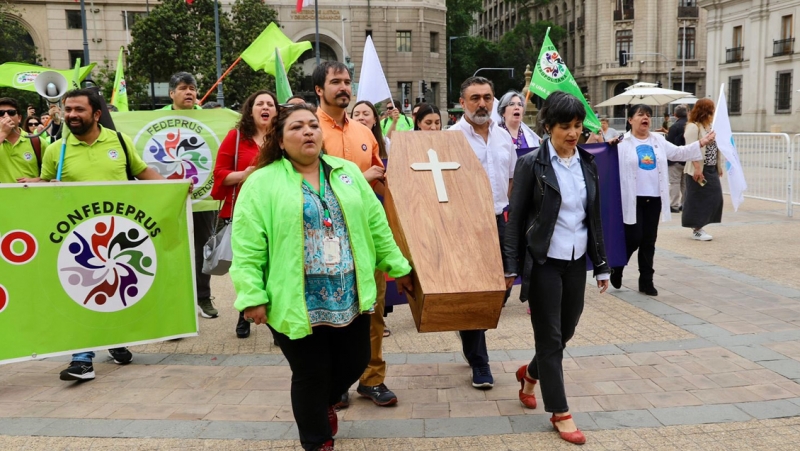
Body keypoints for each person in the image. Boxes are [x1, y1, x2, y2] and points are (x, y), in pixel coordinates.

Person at [230, 104, 413, 451]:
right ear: (281, 141)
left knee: (356, 361)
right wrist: (251, 294)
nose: (308, 131)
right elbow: (247, 244)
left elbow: (376, 226)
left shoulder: (346, 172)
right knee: (310, 373)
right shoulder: (262, 182)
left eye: (313, 125)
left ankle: (322, 403)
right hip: (294, 298)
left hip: (350, 293)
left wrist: (398, 268)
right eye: (297, 127)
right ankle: (317, 441)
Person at [503, 91, 610, 446]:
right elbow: (516, 219)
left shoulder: (587, 163)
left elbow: (593, 217)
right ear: (548, 127)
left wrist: (603, 265)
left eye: (578, 125)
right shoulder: (531, 164)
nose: (573, 133)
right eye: (565, 126)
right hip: (544, 260)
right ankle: (561, 412)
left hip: (577, 260)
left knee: (566, 331)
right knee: (549, 338)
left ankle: (530, 373)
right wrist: (510, 267)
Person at [39, 88, 165, 381]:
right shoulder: (55, 150)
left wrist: (176, 188)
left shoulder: (120, 142)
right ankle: (82, 359)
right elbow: (44, 192)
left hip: (116, 238)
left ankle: (115, 340)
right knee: (80, 293)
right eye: (68, 109)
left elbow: (143, 172)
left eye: (78, 110)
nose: (71, 115)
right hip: (76, 242)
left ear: (96, 114)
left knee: (111, 292)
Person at [312, 61, 396, 408]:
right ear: (319, 89)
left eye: (347, 81)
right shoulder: (307, 128)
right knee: (329, 311)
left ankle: (372, 378)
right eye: (335, 82)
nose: (344, 87)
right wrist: (361, 179)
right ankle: (336, 382)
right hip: (323, 238)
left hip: (364, 238)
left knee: (372, 309)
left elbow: (381, 179)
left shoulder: (364, 133)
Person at [448, 76, 517, 389]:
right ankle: (480, 362)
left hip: (501, 221)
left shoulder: (504, 137)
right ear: (462, 103)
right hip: (467, 225)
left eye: (487, 97)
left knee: (503, 289)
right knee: (477, 294)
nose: (482, 104)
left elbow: (512, 178)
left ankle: (468, 330)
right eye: (474, 98)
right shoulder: (450, 138)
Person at [610, 104, 715, 296]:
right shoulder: (622, 142)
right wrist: (605, 144)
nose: (646, 118)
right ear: (630, 120)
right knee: (633, 238)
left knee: (649, 241)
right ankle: (617, 266)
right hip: (632, 199)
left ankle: (646, 281)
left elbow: (679, 152)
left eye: (648, 115)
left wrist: (702, 142)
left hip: (654, 198)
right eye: (641, 115)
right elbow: (605, 160)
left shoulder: (658, 140)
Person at [211, 90, 278, 339]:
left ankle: (273, 319)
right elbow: (219, 174)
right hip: (243, 213)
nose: (265, 107)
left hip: (275, 211)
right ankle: (245, 313)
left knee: (272, 265)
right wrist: (244, 175)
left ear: (276, 111)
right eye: (259, 103)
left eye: (270, 104)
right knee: (248, 264)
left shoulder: (281, 138)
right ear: (250, 110)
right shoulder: (237, 138)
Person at [161, 72, 217, 320]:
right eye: (183, 88)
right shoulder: (155, 119)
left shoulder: (210, 119)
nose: (190, 93)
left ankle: (203, 297)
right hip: (168, 199)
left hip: (203, 198)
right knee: (170, 247)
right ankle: (174, 300)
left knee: (204, 247)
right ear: (171, 93)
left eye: (193, 88)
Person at [682, 98, 724, 241]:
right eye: (711, 108)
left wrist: (719, 166)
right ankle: (697, 228)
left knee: (716, 196)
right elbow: (691, 149)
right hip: (698, 168)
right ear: (705, 110)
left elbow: (715, 148)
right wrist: (697, 168)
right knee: (697, 198)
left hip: (710, 167)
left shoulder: (710, 127)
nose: (713, 111)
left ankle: (701, 224)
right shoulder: (693, 127)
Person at [0, 97, 43, 183]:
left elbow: (52, 174)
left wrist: (35, 180)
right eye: (1, 113)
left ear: (19, 118)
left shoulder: (36, 141)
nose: (6, 116)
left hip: (30, 195)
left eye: (11, 112)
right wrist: (3, 133)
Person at [666, 105, 689, 213]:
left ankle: (674, 205)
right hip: (687, 158)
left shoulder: (674, 127)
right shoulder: (690, 125)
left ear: (675, 114)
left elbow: (669, 143)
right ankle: (684, 204)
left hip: (675, 159)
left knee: (674, 182)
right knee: (685, 183)